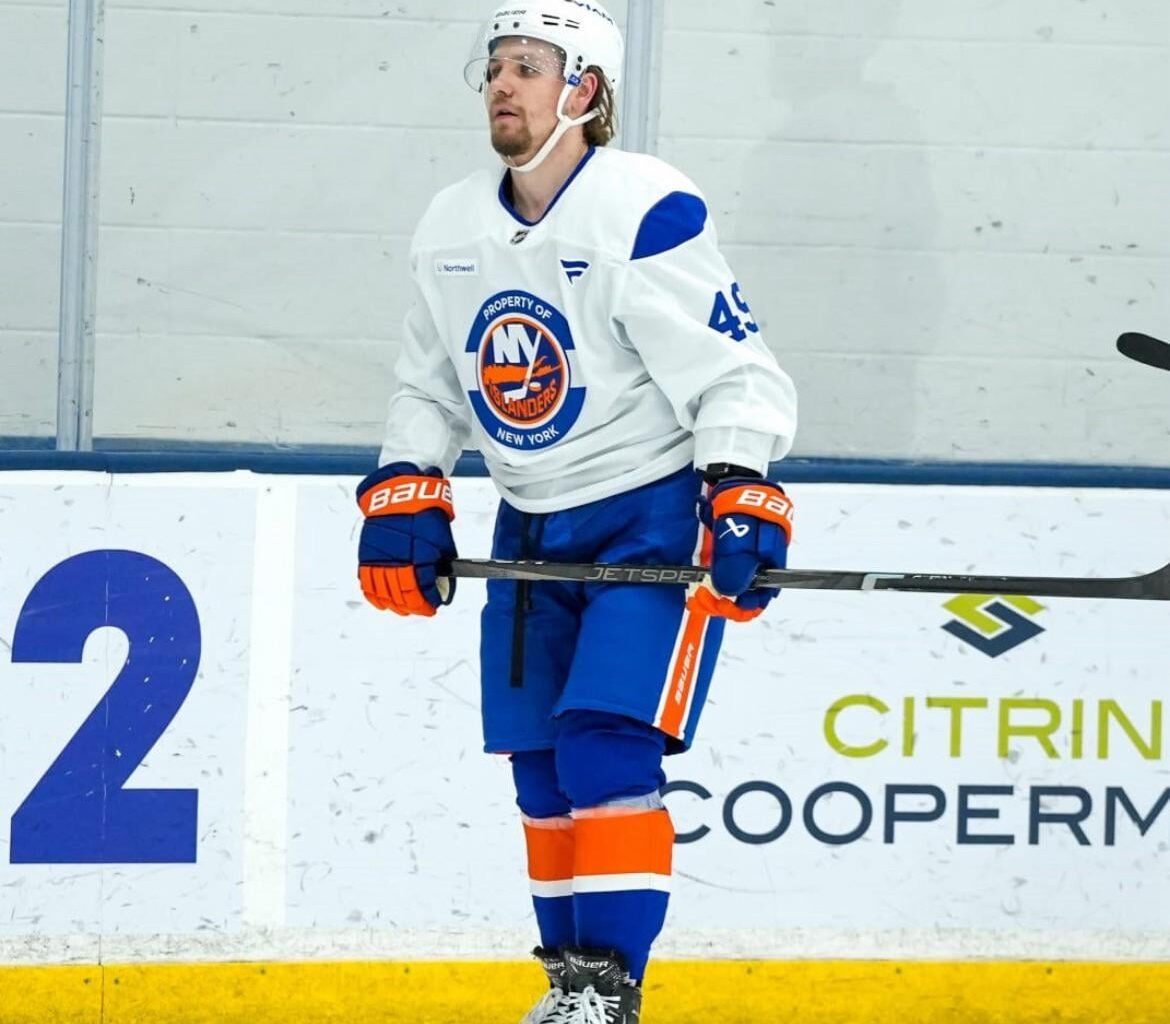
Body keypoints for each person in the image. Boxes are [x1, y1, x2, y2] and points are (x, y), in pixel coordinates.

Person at [355, 3, 798, 1021]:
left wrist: (740, 485)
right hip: (529, 521)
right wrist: (407, 486)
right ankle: (567, 989)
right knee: (541, 768)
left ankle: (612, 989)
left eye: (529, 67)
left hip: (648, 517)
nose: (501, 85)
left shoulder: (643, 207)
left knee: (605, 745)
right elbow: (429, 383)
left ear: (584, 92)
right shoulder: (451, 224)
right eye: (495, 67)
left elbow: (735, 371)